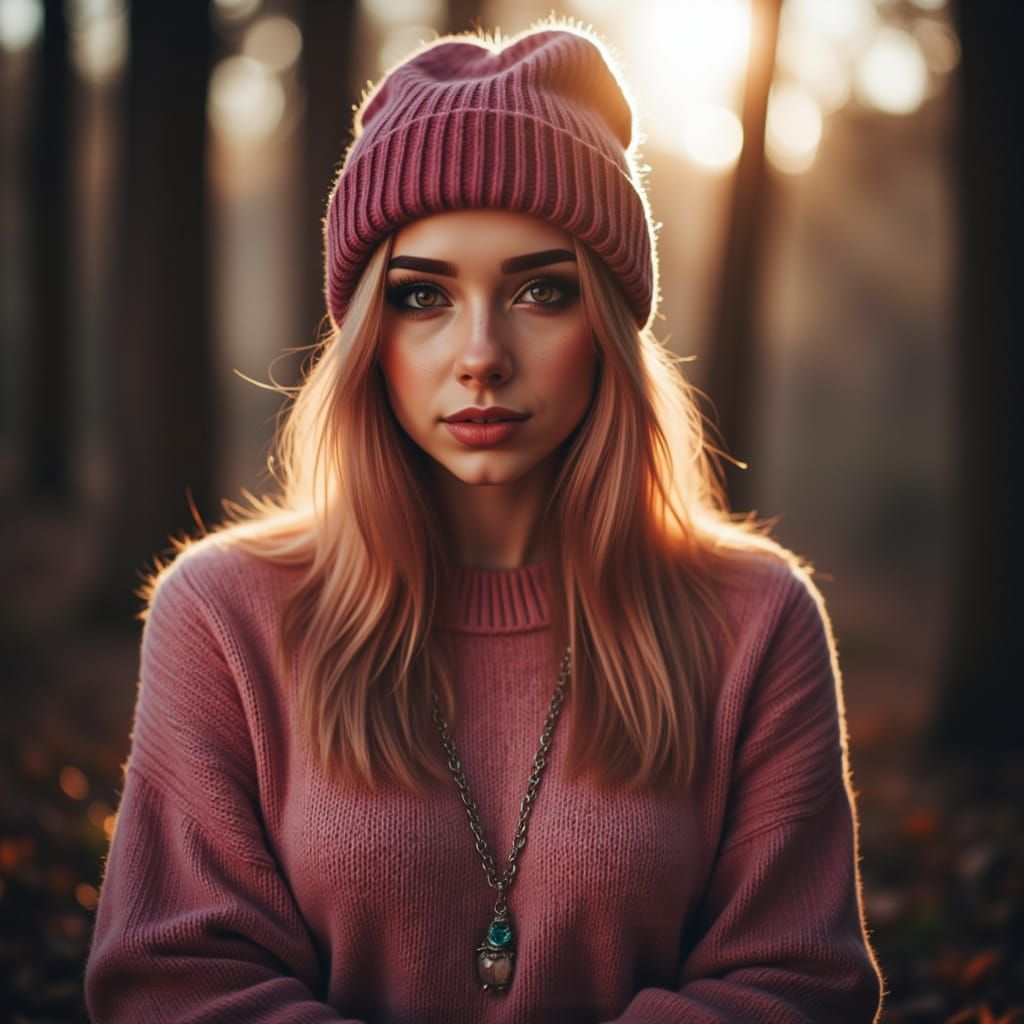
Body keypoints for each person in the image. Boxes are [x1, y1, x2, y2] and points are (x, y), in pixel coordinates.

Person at [84, 20, 884, 1024]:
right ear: (368, 334)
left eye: (541, 291)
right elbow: (173, 978)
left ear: (609, 325)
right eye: (422, 296)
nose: (480, 354)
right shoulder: (224, 613)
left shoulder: (755, 619)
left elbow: (796, 980)